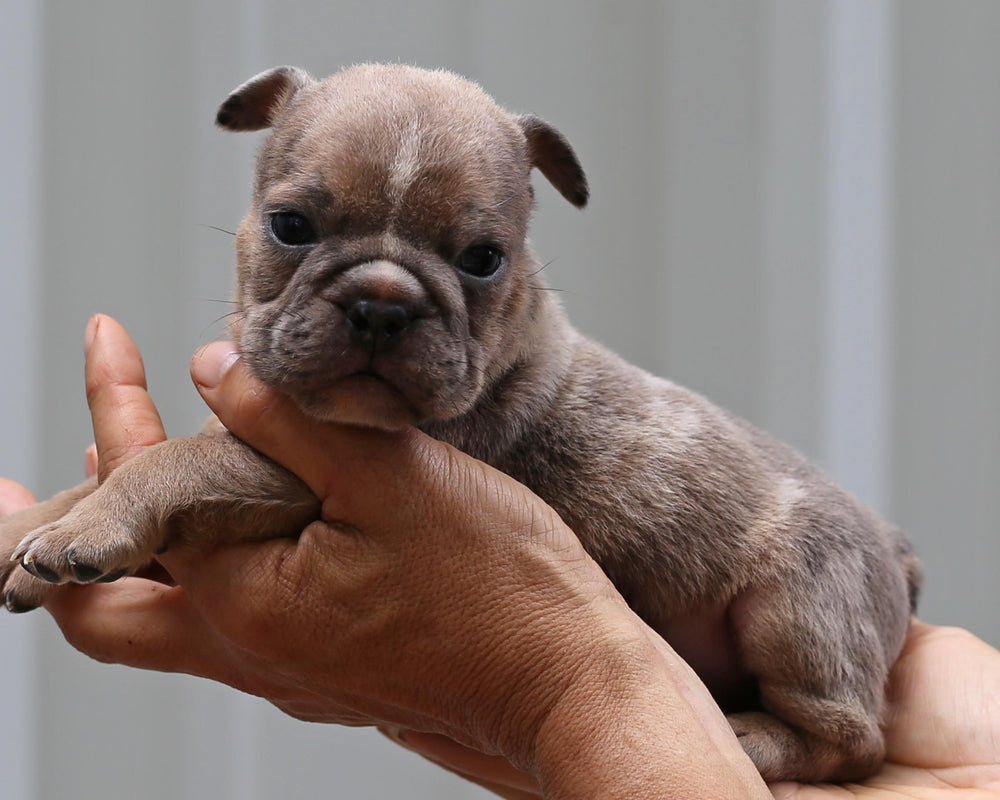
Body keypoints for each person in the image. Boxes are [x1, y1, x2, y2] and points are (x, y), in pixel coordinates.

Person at [2, 314, 998, 799]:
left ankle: (826, 729)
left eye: (470, 260)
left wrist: (576, 700)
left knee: (807, 539)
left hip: (791, 566)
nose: (379, 305)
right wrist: (102, 512)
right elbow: (263, 490)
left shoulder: (518, 395)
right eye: (302, 233)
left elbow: (264, 491)